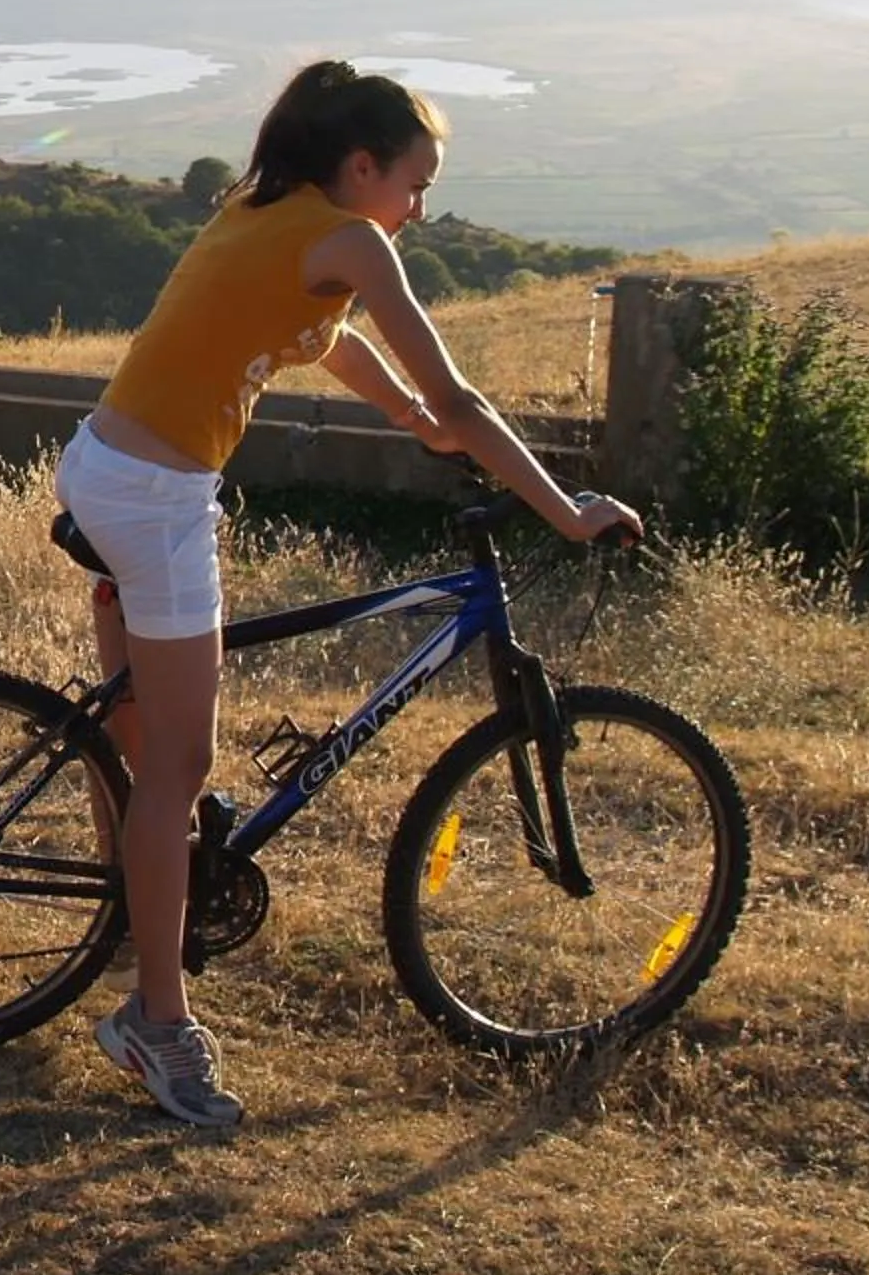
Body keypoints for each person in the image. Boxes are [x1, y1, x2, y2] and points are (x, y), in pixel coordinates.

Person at [58, 62, 640, 1126]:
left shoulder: (273, 205)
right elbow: (460, 394)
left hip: (110, 464)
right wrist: (565, 509)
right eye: (414, 185)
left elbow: (327, 339)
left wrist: (412, 414)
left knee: (147, 745)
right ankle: (156, 1021)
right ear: (362, 166)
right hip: (154, 497)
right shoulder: (352, 239)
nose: (419, 210)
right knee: (177, 771)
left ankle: (126, 917)